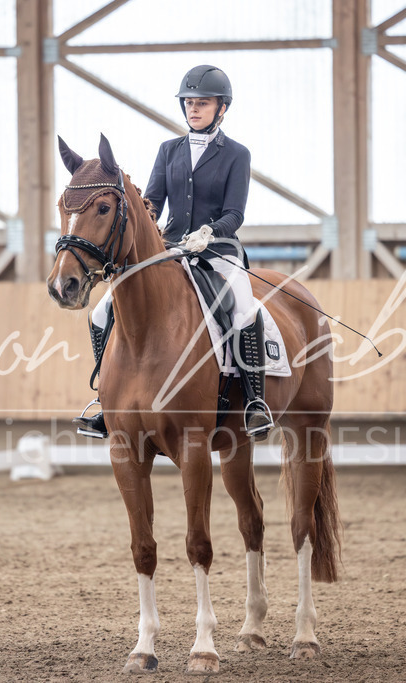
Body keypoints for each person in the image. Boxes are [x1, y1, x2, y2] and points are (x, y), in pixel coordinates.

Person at [74, 64, 274, 442]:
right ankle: (105, 400)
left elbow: (235, 213)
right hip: (171, 250)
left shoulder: (237, 154)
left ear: (221, 108)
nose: (193, 109)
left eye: (202, 103)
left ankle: (254, 401)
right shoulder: (169, 151)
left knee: (245, 309)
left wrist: (209, 232)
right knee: (100, 312)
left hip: (217, 251)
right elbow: (151, 204)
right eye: (189, 103)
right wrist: (155, 236)